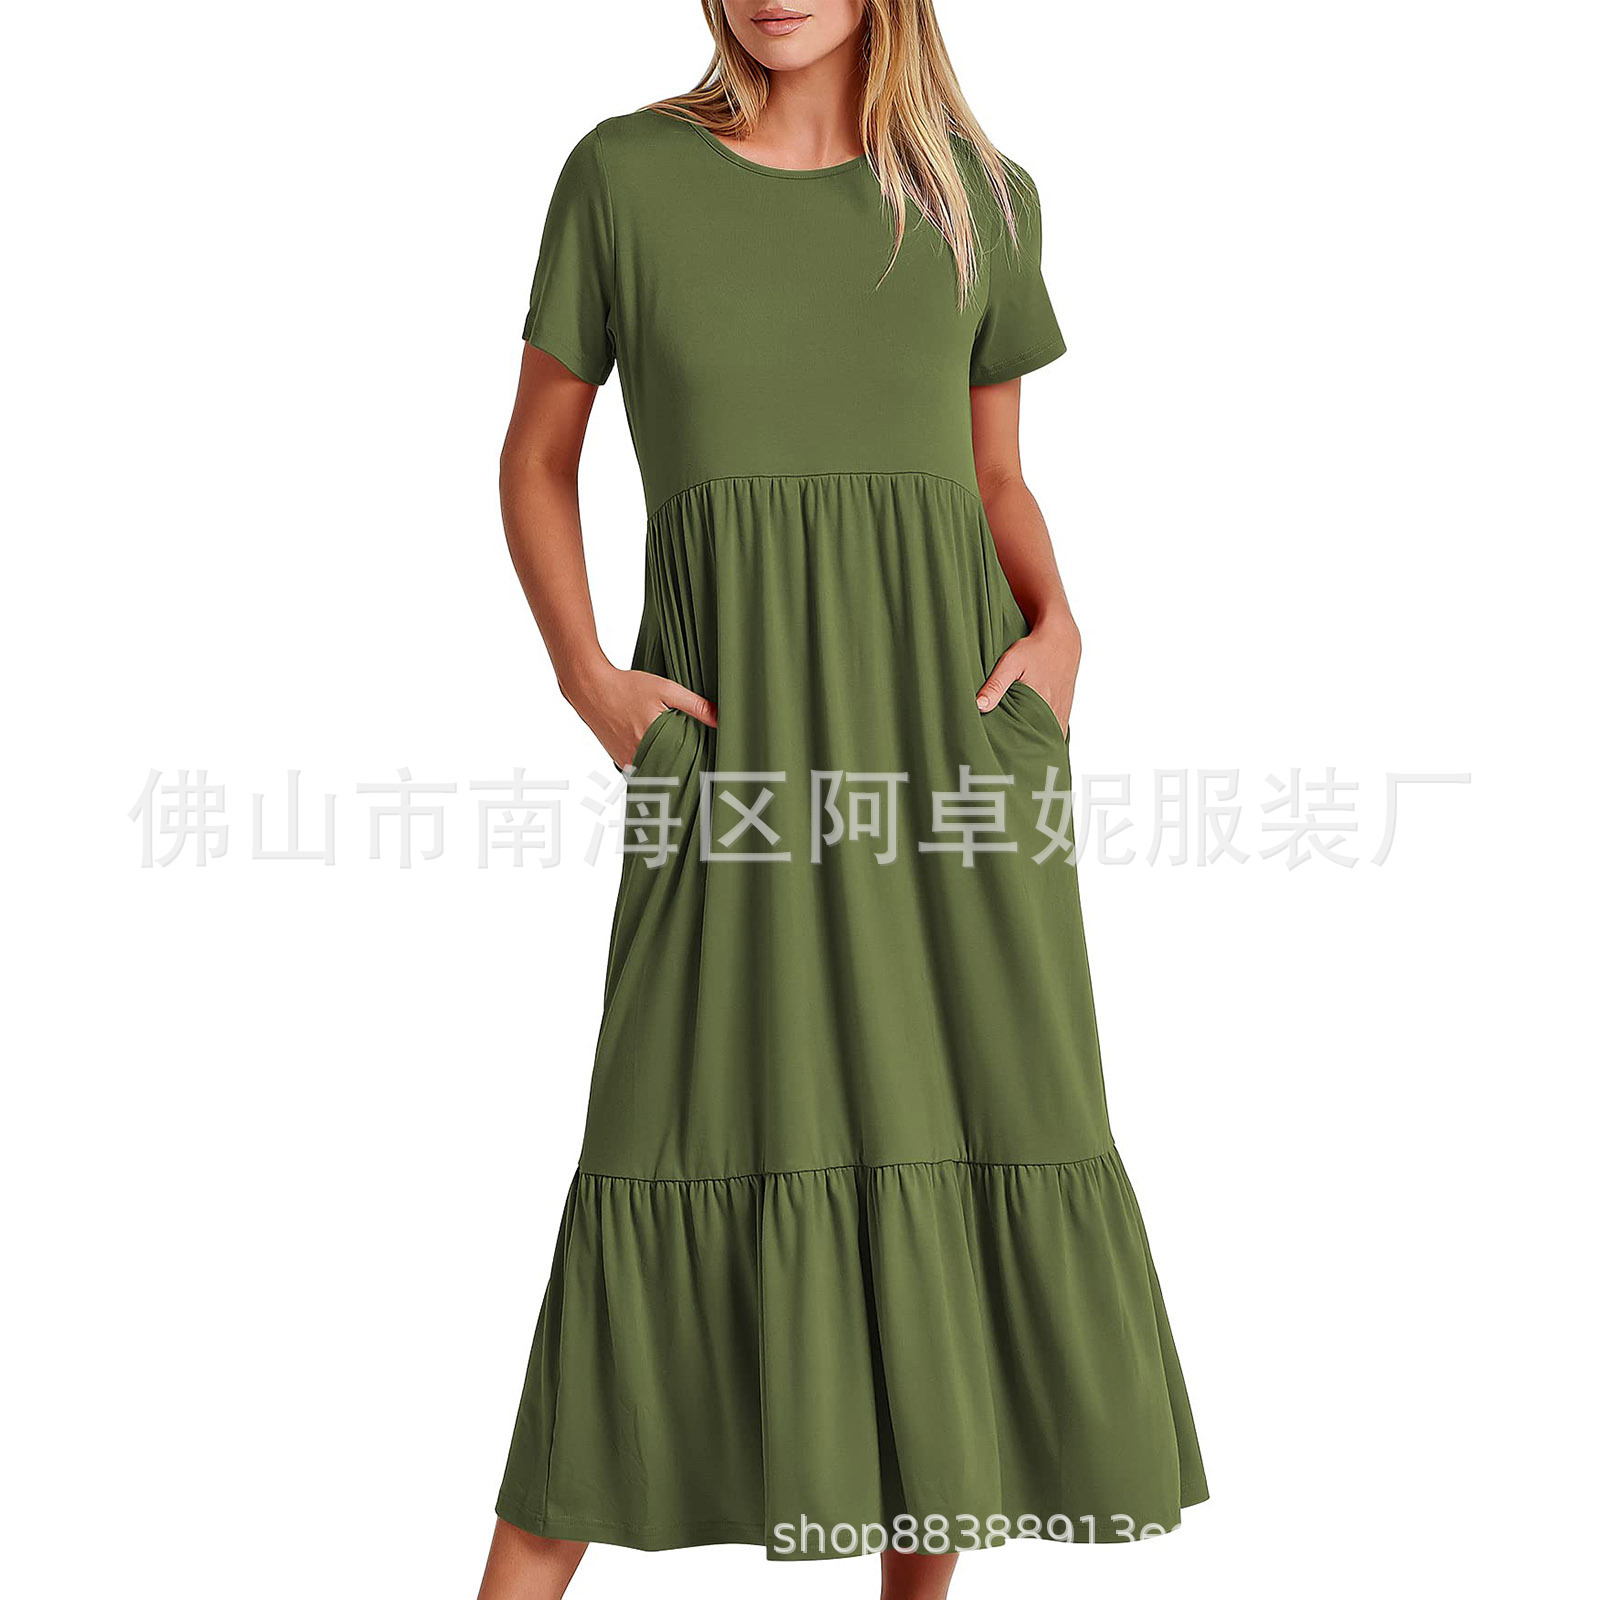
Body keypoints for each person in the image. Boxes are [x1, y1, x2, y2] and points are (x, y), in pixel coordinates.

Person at [481, 4, 1205, 1596]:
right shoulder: (623, 179)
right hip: (730, 770)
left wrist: (1062, 630)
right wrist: (589, 678)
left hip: (949, 766)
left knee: (948, 1152)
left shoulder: (980, 201)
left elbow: (994, 477)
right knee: (656, 1155)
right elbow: (536, 457)